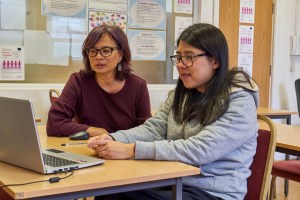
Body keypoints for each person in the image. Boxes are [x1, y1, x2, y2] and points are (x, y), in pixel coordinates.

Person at [87, 23, 259, 200]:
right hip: (172, 180)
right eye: (179, 57)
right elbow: (153, 129)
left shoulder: (239, 100)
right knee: (111, 192)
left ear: (215, 61)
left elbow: (201, 149)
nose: (181, 65)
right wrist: (114, 138)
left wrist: (133, 150)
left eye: (189, 57)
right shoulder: (181, 94)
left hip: (213, 192)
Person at [47, 25, 152, 137]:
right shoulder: (78, 81)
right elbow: (55, 123)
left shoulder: (138, 86)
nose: (98, 56)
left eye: (106, 51)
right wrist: (95, 131)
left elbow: (147, 131)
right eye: (93, 51)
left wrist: (117, 140)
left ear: (120, 55)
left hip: (124, 151)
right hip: (88, 150)